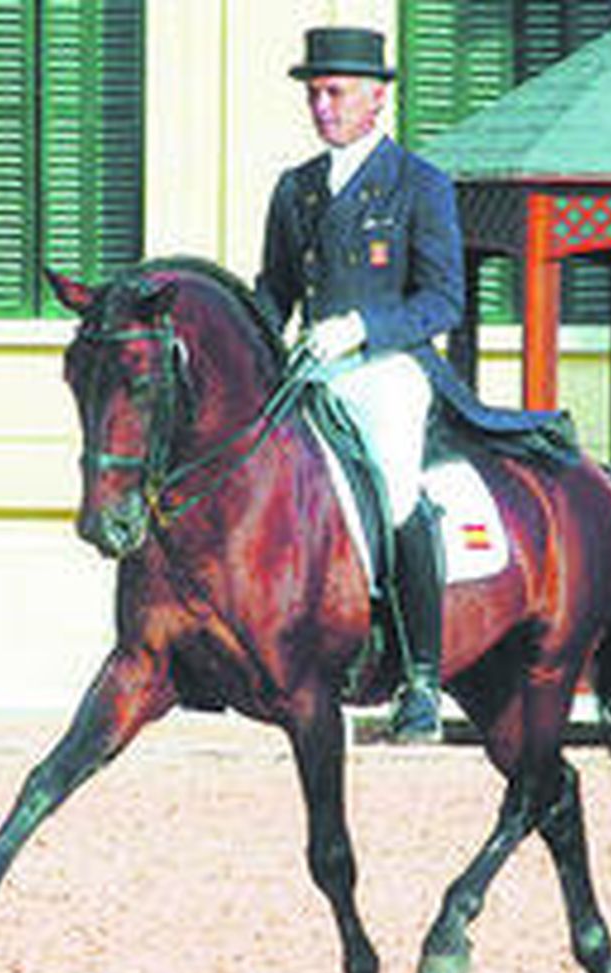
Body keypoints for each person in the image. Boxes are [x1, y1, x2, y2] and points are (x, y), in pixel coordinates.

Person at [253, 26, 463, 738]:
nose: (322, 106)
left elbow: (442, 301)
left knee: (395, 484)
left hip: (387, 368)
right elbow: (272, 293)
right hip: (314, 364)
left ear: (377, 98)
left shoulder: (419, 185)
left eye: (335, 92)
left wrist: (360, 328)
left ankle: (422, 679)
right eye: (314, 93)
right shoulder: (296, 189)